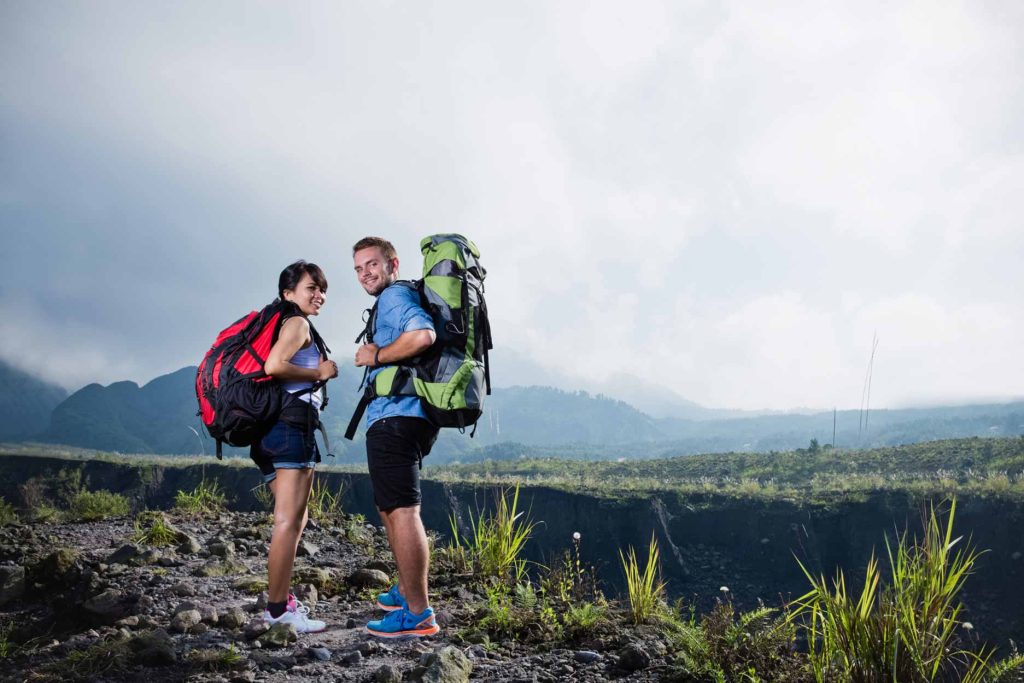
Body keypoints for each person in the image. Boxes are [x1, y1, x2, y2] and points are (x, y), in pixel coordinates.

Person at [352, 236, 441, 638]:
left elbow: (423, 336)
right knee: (391, 508)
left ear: (393, 263)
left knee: (403, 510)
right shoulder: (395, 298)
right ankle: (406, 592)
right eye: (358, 268)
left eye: (372, 264)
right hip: (404, 417)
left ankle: (419, 613)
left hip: (397, 417)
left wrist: (377, 355)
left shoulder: (394, 297)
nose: (365, 273)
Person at [253, 260, 338, 633]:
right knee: (289, 522)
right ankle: (277, 612)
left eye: (322, 289)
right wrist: (318, 372)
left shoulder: (281, 322)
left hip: (270, 431)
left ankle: (281, 601)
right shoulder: (297, 323)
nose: (319, 295)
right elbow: (275, 365)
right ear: (288, 294)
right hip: (291, 428)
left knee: (294, 519)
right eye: (310, 288)